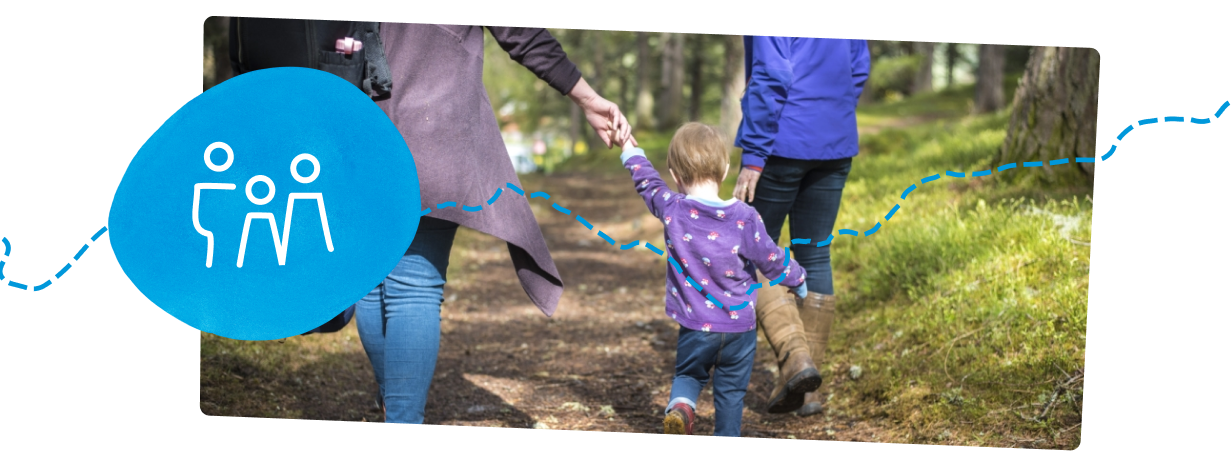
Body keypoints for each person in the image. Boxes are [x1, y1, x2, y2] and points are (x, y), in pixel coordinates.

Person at [230, 21, 635, 424]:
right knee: (413, 287)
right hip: (436, 128)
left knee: (373, 282)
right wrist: (586, 97)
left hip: (361, 118)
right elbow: (520, 35)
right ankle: (402, 415)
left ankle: (393, 399)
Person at [618, 122, 809, 436]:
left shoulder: (673, 208)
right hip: (740, 329)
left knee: (689, 377)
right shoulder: (746, 217)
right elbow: (771, 259)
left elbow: (647, 183)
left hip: (696, 326)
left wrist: (629, 149)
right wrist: (797, 279)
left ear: (675, 175)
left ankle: (681, 408)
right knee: (731, 393)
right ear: (725, 170)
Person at [731, 36, 870, 416]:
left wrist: (754, 155)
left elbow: (772, 72)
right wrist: (831, 113)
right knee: (815, 253)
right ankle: (809, 393)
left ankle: (796, 361)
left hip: (781, 144)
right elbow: (859, 68)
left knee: (753, 256)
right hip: (835, 141)